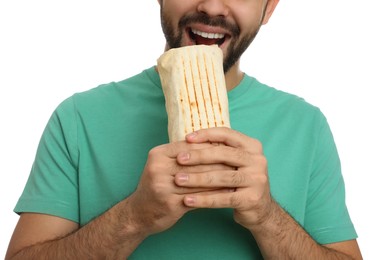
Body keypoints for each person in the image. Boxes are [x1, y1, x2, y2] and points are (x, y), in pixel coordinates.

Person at [6, 0, 362, 259]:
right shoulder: (78, 117)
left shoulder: (305, 125)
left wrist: (267, 216)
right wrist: (134, 216)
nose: (211, 7)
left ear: (269, 8)